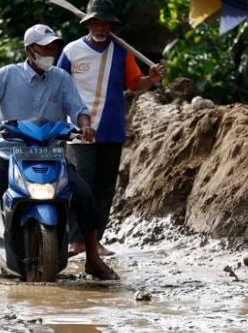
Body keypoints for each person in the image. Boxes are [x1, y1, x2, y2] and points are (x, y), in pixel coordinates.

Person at [0, 24, 119, 281]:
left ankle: (93, 259)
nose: (51, 52)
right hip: (9, 151)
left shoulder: (61, 78)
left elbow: (79, 109)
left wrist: (85, 126)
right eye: (46, 47)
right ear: (30, 50)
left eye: (54, 47)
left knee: (84, 193)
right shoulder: (7, 75)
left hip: (51, 153)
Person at [57, 0, 165, 256]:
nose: (101, 27)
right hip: (78, 131)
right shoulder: (71, 51)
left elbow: (135, 86)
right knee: (81, 185)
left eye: (105, 23)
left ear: (111, 26)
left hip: (111, 129)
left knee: (104, 188)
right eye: (96, 22)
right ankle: (76, 240)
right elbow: (57, 86)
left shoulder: (121, 52)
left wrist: (151, 79)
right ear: (88, 24)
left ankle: (95, 240)